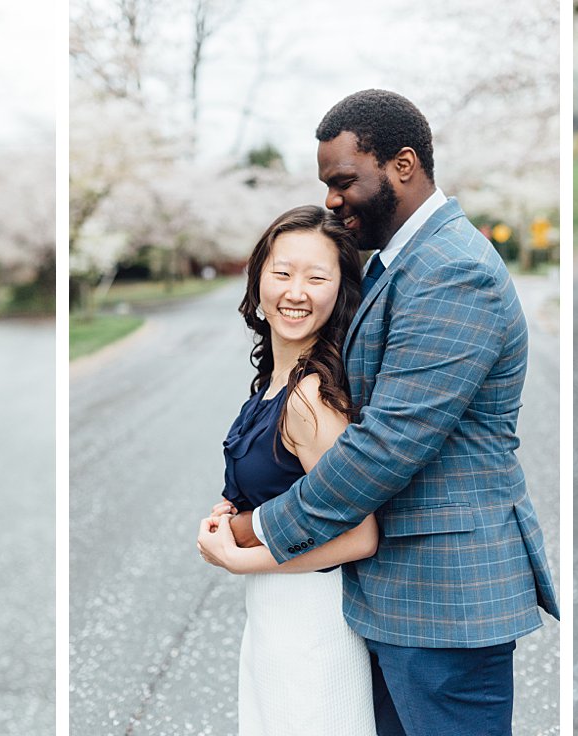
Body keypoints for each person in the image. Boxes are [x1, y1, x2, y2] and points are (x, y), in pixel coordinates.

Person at [213, 89, 559, 735]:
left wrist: (254, 530)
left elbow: (389, 442)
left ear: (403, 165)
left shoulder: (453, 270)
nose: (334, 200)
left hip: (446, 597)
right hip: (395, 598)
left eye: (344, 181)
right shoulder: (401, 266)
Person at [197, 205, 379, 735]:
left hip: (313, 626)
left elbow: (360, 535)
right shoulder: (275, 381)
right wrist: (235, 517)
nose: (295, 292)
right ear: (258, 280)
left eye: (316, 277)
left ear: (341, 291)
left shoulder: (312, 397)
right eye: (282, 272)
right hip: (275, 618)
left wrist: (240, 557)